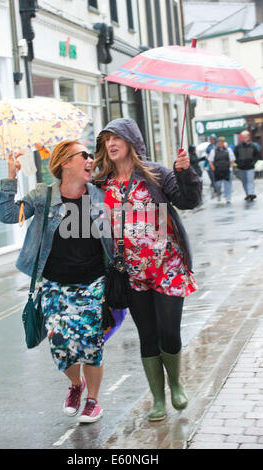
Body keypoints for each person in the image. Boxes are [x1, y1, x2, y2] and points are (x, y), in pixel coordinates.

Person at [0, 140, 113, 424]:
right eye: (83, 155)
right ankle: (76, 386)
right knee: (61, 344)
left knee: (90, 344)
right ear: (65, 163)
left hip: (93, 282)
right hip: (54, 284)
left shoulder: (99, 196)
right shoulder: (43, 195)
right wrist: (11, 177)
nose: (90, 159)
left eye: (91, 155)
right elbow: (10, 215)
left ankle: (93, 400)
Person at [92, 118, 202, 421]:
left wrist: (184, 172)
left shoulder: (156, 175)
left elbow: (189, 200)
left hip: (168, 268)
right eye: (106, 140)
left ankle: (176, 384)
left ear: (131, 142)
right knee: (147, 334)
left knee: (169, 331)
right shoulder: (102, 183)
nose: (111, 144)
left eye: (116, 138)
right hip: (131, 274)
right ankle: (157, 398)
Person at [234, 130, 260, 201]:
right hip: (241, 168)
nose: (245, 138)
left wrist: (253, 162)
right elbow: (235, 156)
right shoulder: (238, 147)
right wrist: (239, 163)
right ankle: (248, 194)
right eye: (244, 137)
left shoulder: (253, 146)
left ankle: (251, 193)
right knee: (244, 182)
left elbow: (257, 155)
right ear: (242, 138)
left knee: (250, 181)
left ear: (248, 137)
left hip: (250, 167)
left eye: (246, 137)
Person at [208, 136, 235, 204]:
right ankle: (219, 194)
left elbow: (232, 159)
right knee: (218, 185)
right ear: (218, 143)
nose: (221, 143)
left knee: (227, 185)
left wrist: (230, 167)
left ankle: (228, 198)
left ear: (224, 142)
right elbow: (210, 161)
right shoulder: (213, 151)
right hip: (217, 170)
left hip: (226, 170)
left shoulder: (228, 150)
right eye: (219, 142)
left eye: (222, 142)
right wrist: (213, 169)